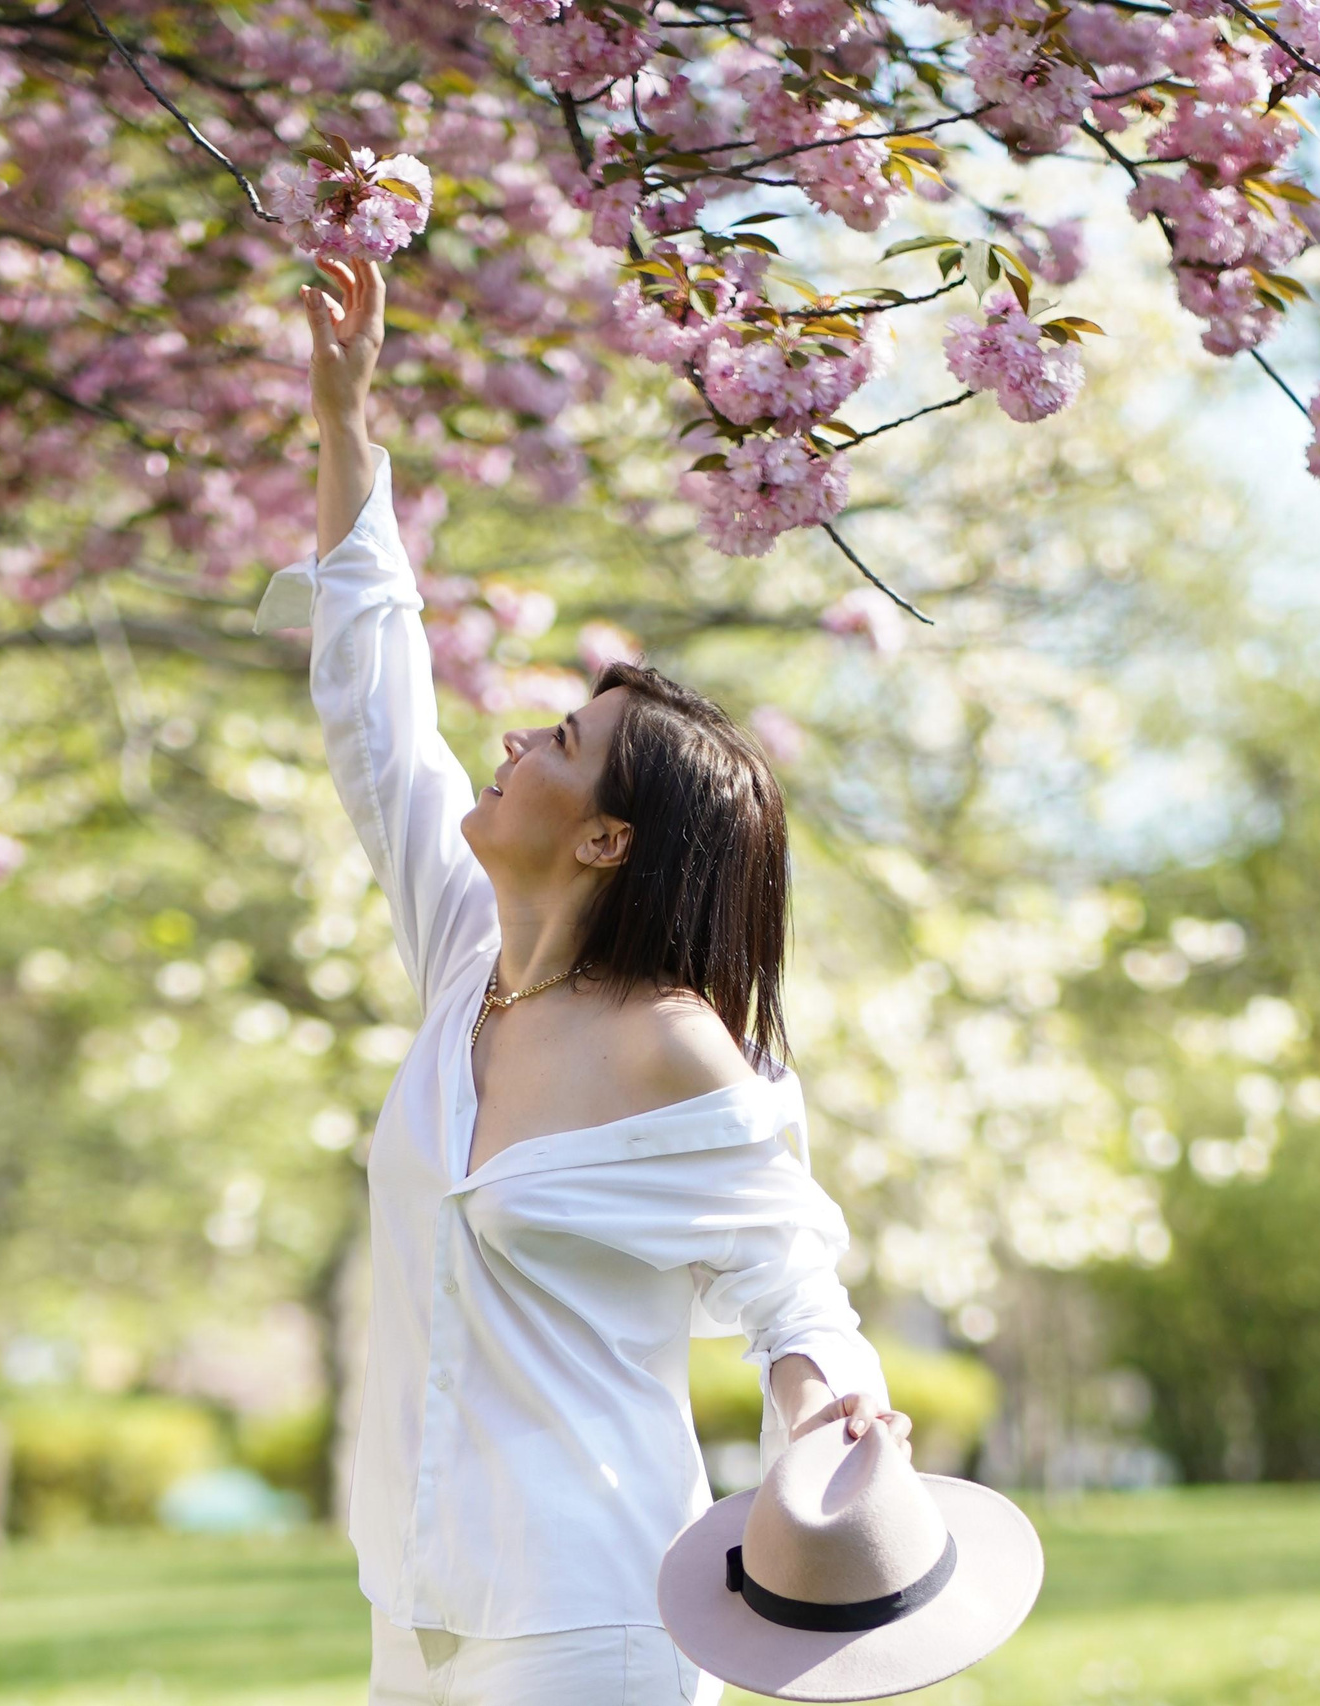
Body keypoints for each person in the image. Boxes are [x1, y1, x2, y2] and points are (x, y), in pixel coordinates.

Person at [271, 256, 910, 1706]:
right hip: (416, 1607)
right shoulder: (465, 968)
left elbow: (789, 1275)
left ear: (610, 836)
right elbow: (378, 710)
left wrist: (830, 1430)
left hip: (588, 1614)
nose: (514, 743)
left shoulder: (670, 1046)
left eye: (559, 741)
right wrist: (345, 424)